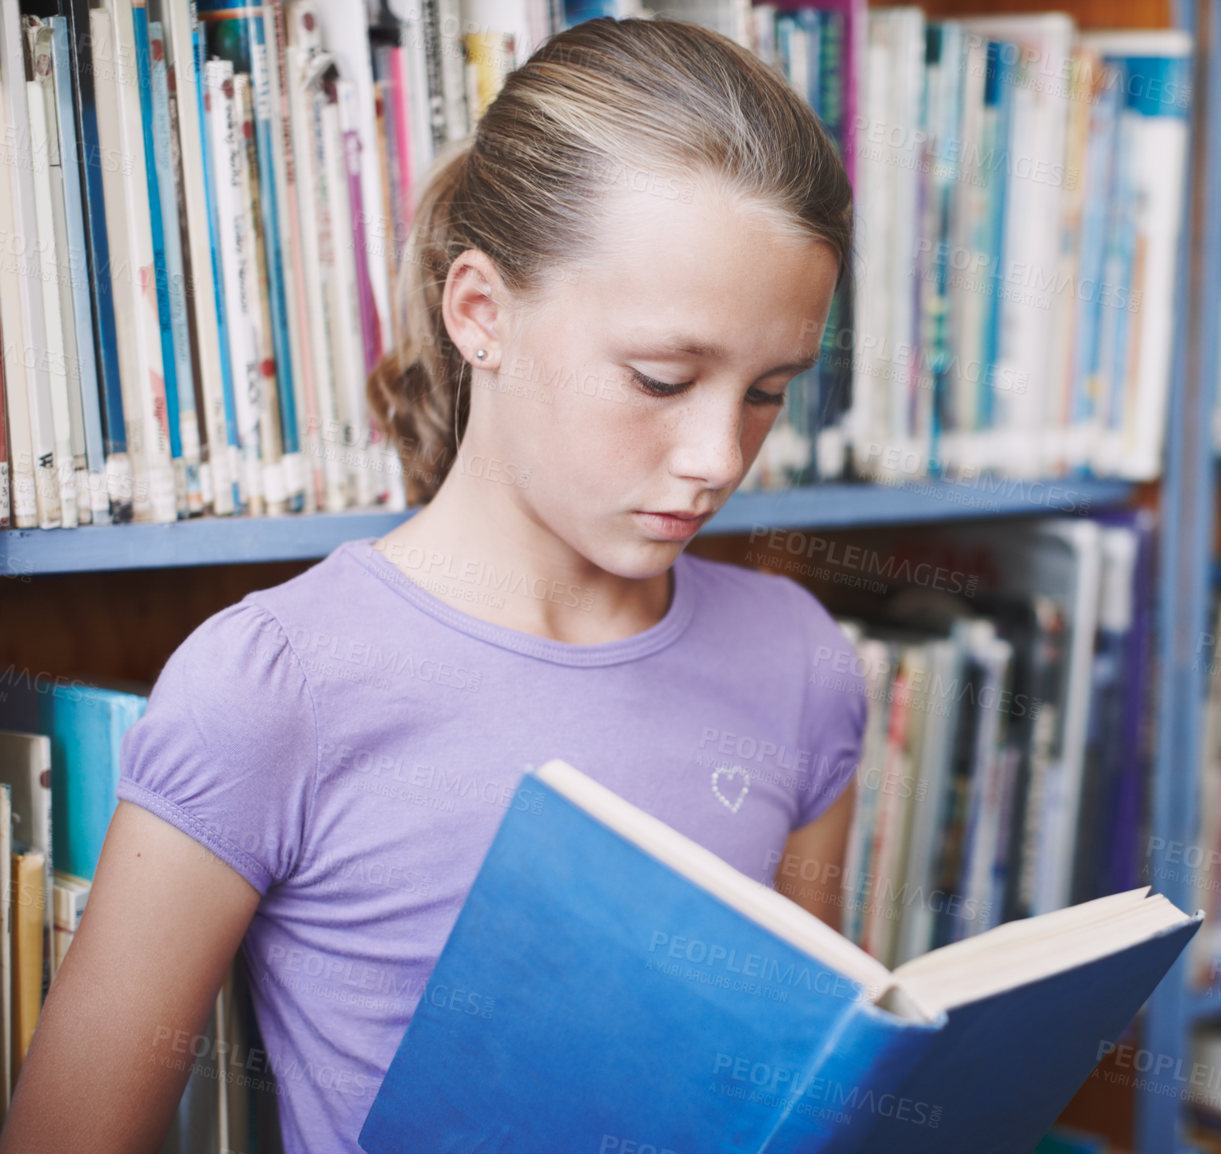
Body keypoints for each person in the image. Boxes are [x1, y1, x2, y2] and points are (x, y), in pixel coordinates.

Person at [0, 17, 864, 1154]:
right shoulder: (276, 683)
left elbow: (810, 1085)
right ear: (480, 313)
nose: (717, 455)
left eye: (766, 389)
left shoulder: (798, 659)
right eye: (662, 377)